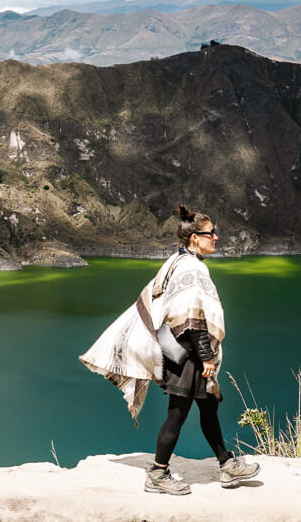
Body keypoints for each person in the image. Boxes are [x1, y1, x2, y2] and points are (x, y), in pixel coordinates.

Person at [79, 204, 260, 495]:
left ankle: (226, 463)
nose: (216, 238)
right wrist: (206, 357)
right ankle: (158, 474)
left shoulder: (177, 261)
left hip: (180, 351)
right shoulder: (191, 267)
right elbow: (190, 318)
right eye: (211, 233)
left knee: (208, 407)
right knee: (177, 413)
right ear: (194, 238)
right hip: (187, 354)